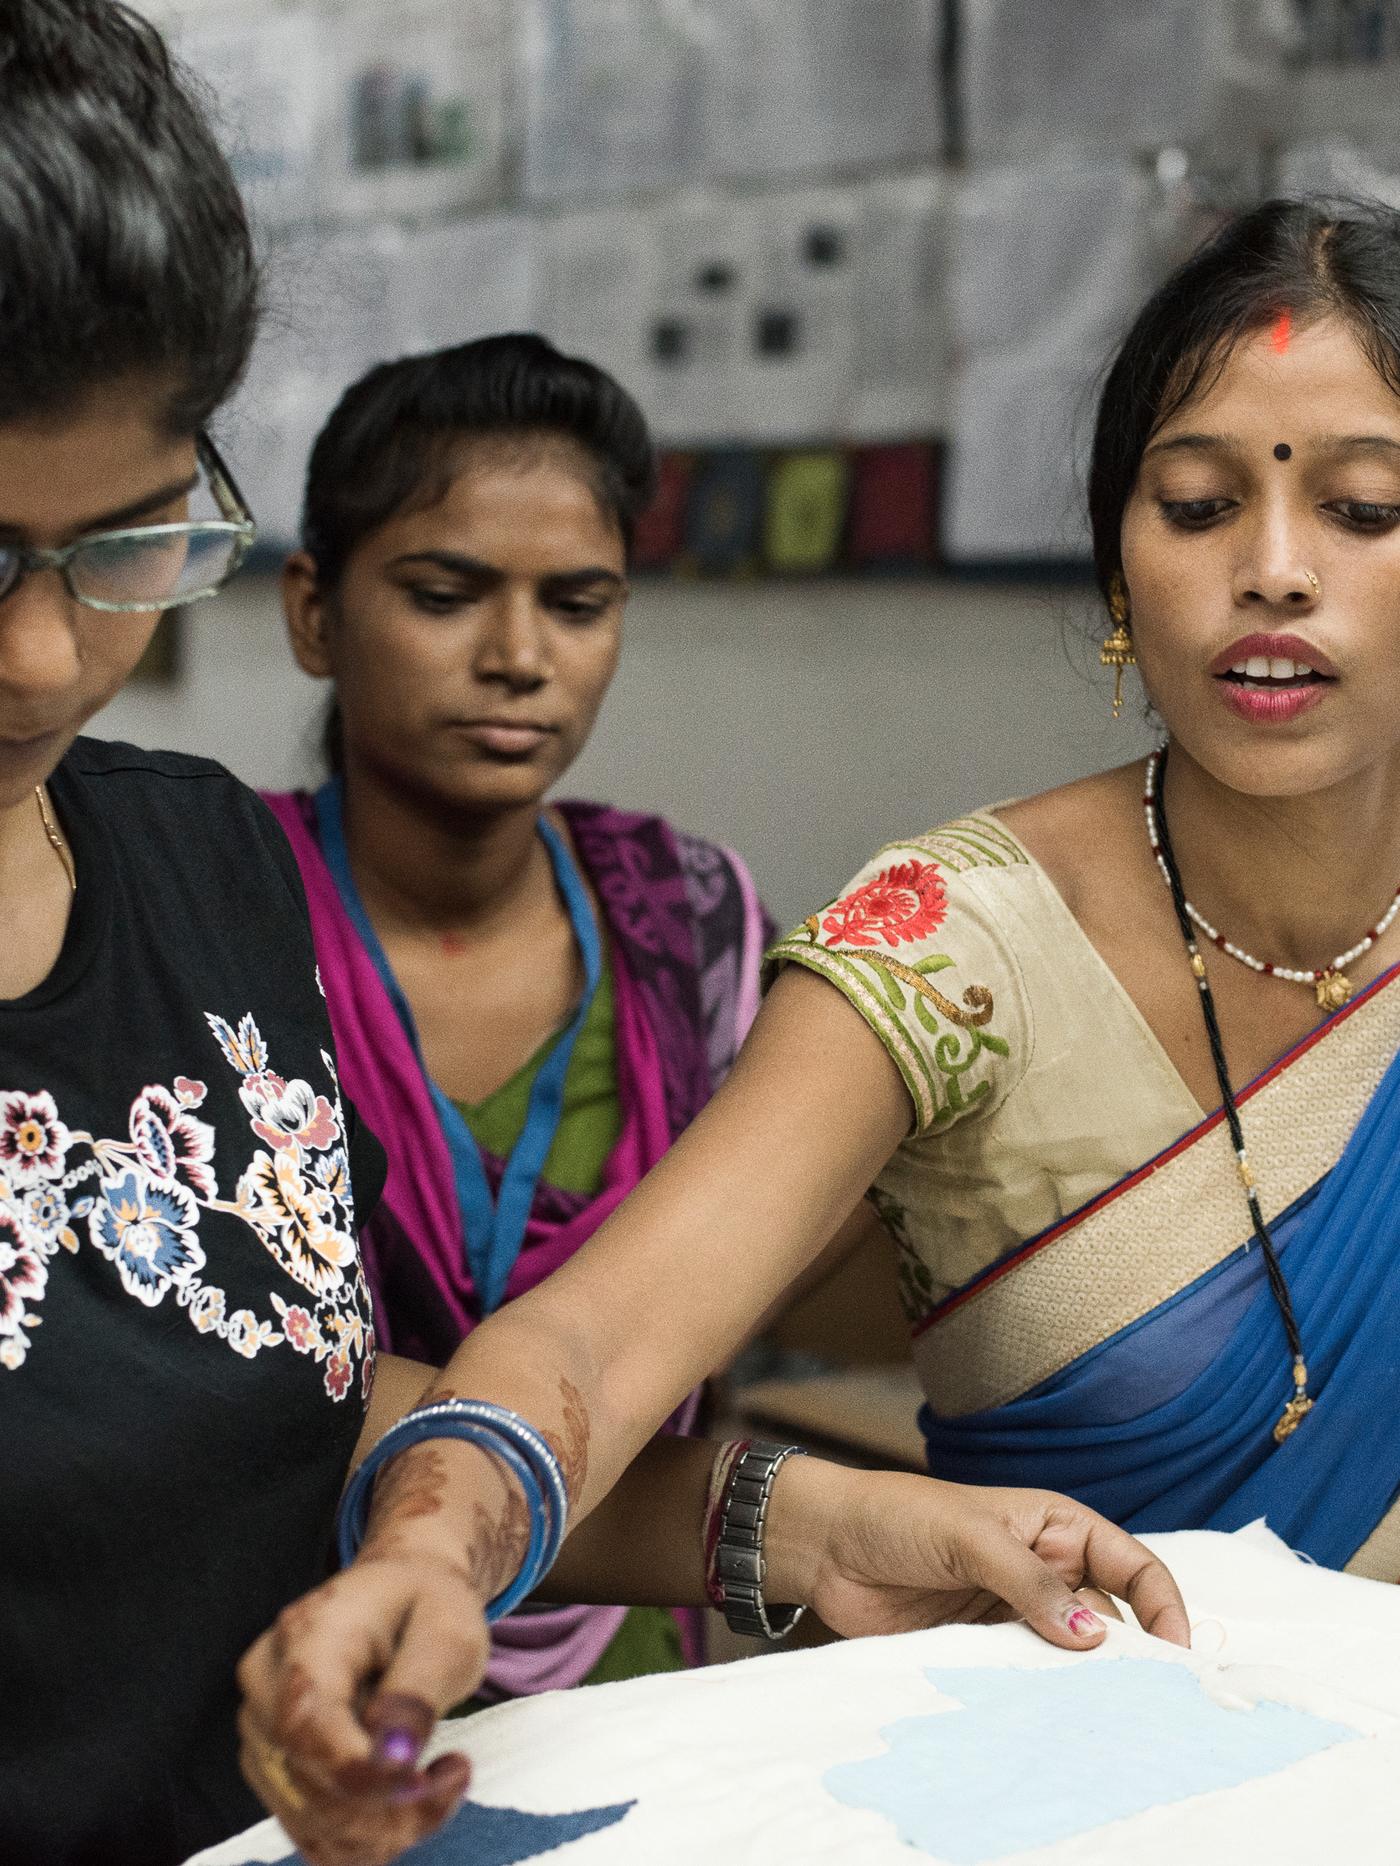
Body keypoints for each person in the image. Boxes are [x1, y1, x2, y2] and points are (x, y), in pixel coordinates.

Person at [0, 8, 1187, 1866]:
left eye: (127, 545)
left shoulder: (200, 869)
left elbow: (245, 1387)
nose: (45, 656)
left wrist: (794, 1522)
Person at [239, 194, 1400, 1850]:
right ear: (1119, 563)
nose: (1275, 570)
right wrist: (434, 1548)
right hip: (1075, 1805)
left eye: (1363, 507)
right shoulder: (947, 940)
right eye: (1201, 504)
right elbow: (595, 1337)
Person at [264, 332, 886, 1698]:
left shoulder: (690, 920)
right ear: (313, 610)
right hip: (296, 1647)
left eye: (581, 601)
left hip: (632, 1656)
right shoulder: (215, 915)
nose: (519, 657)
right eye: (446, 594)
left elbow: (801, 1250)